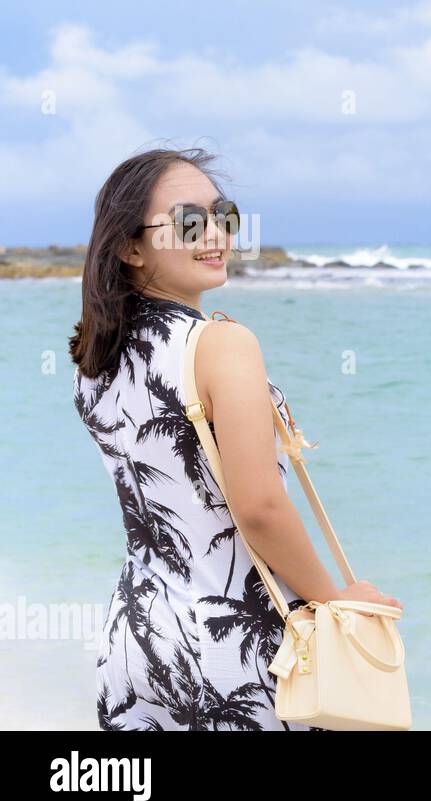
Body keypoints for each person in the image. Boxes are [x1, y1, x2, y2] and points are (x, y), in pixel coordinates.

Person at [68, 147, 401, 730]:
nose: (214, 233)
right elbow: (260, 508)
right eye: (188, 222)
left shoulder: (94, 358)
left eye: (224, 215)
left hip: (138, 637)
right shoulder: (224, 345)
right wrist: (336, 602)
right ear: (129, 246)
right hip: (238, 645)